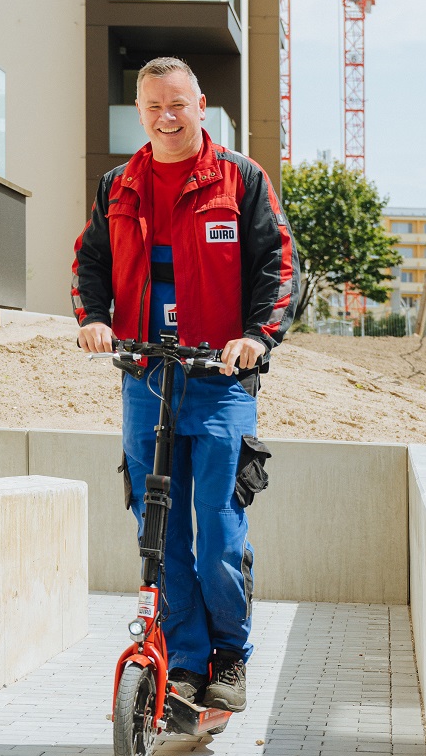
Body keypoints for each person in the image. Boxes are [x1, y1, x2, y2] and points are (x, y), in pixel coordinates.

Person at [71, 56, 299, 713]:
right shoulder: (120, 185)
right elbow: (92, 260)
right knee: (157, 530)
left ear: (202, 105)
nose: (166, 118)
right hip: (146, 378)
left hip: (221, 380)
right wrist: (94, 318)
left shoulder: (240, 179)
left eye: (178, 104)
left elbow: (278, 266)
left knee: (219, 532)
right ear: (139, 112)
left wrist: (257, 335)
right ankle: (188, 659)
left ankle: (229, 657)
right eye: (152, 107)